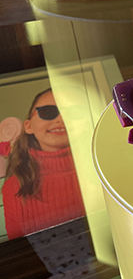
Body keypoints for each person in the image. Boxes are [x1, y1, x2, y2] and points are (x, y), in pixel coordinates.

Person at [0, 89, 86, 239]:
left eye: (71, 113)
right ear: (29, 126)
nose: (61, 119)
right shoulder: (13, 188)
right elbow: (20, 247)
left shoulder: (103, 168)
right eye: (48, 112)